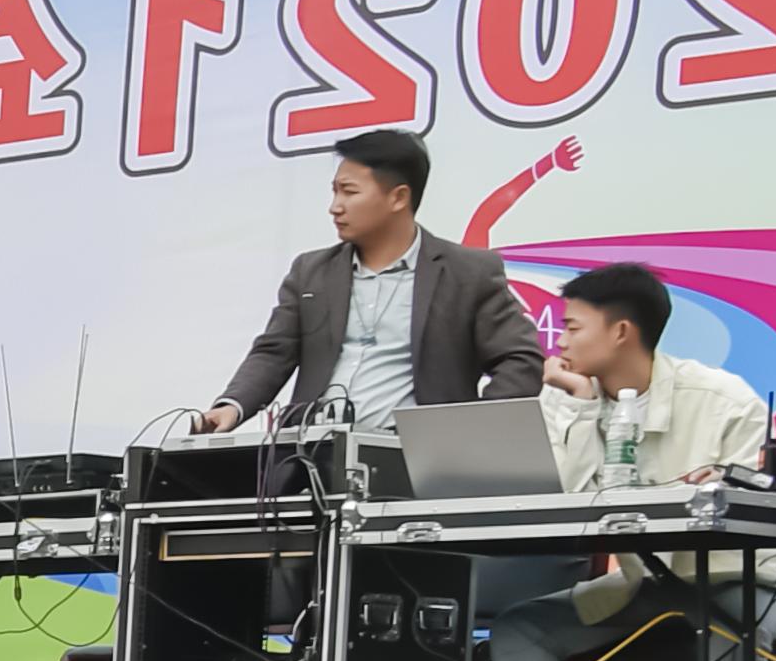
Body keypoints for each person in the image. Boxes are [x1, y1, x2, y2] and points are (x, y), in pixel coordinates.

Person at [498, 260, 776, 661]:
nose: (560, 341)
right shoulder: (565, 397)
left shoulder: (722, 400)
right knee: (519, 629)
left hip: (751, 585)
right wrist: (579, 405)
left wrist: (724, 485)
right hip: (649, 586)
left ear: (620, 332)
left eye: (573, 328)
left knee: (733, 622)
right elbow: (565, 504)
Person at [195, 126, 546, 454]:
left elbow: (521, 360)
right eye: (334, 191)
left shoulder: (467, 273)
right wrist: (232, 406)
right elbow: (273, 352)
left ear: (398, 198)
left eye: (349, 192)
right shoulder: (311, 272)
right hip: (310, 457)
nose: (335, 206)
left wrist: (468, 433)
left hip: (414, 459)